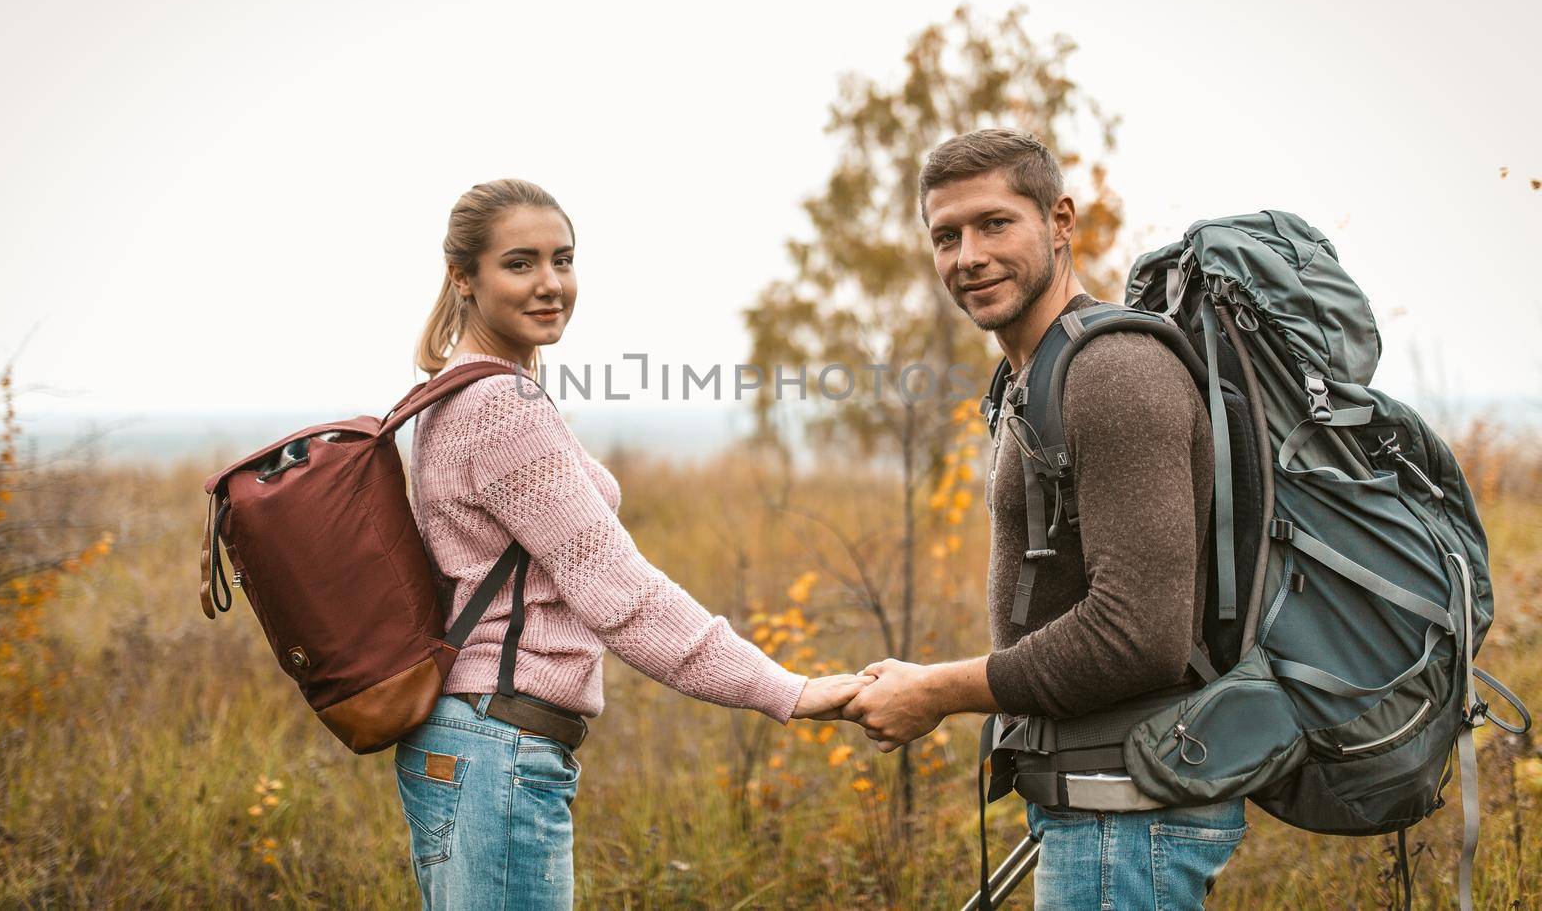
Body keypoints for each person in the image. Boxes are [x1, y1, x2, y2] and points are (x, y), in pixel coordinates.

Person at [398, 178, 869, 910]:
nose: (551, 283)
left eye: (563, 258)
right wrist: (789, 690)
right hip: (501, 748)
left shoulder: (452, 392)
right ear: (464, 276)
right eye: (519, 263)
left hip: (471, 745)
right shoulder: (500, 407)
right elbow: (622, 595)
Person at [840, 130, 1247, 909]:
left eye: (996, 224)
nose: (969, 256)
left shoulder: (1115, 373)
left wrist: (938, 689)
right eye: (946, 236)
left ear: (1060, 221)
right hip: (1098, 806)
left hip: (1129, 820)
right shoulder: (1035, 374)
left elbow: (1139, 632)